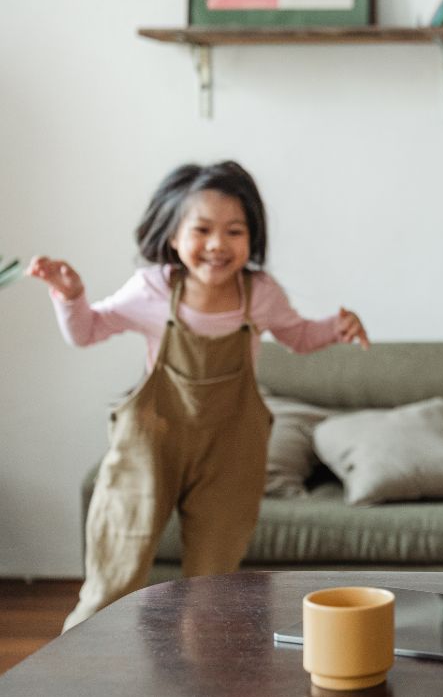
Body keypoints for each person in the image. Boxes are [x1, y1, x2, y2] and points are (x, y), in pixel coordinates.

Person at [27, 160, 370, 630]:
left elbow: (299, 336)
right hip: (150, 445)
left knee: (212, 590)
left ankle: (201, 683)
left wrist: (336, 327)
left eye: (234, 231)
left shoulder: (260, 294)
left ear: (252, 238)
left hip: (229, 452)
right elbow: (87, 331)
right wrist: (70, 296)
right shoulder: (151, 289)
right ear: (172, 235)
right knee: (113, 578)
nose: (217, 245)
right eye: (202, 229)